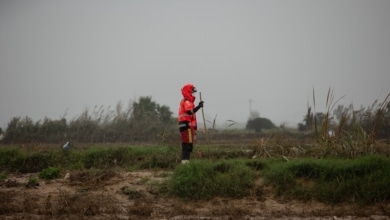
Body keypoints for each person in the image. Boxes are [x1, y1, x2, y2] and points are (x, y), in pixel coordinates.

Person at [178, 83, 204, 164]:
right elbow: (189, 112)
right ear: (188, 92)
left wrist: (195, 129)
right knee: (187, 145)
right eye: (192, 92)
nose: (193, 94)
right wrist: (199, 107)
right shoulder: (186, 101)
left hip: (187, 126)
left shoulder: (188, 102)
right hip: (186, 126)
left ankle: (185, 162)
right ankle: (185, 163)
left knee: (188, 144)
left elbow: (192, 117)